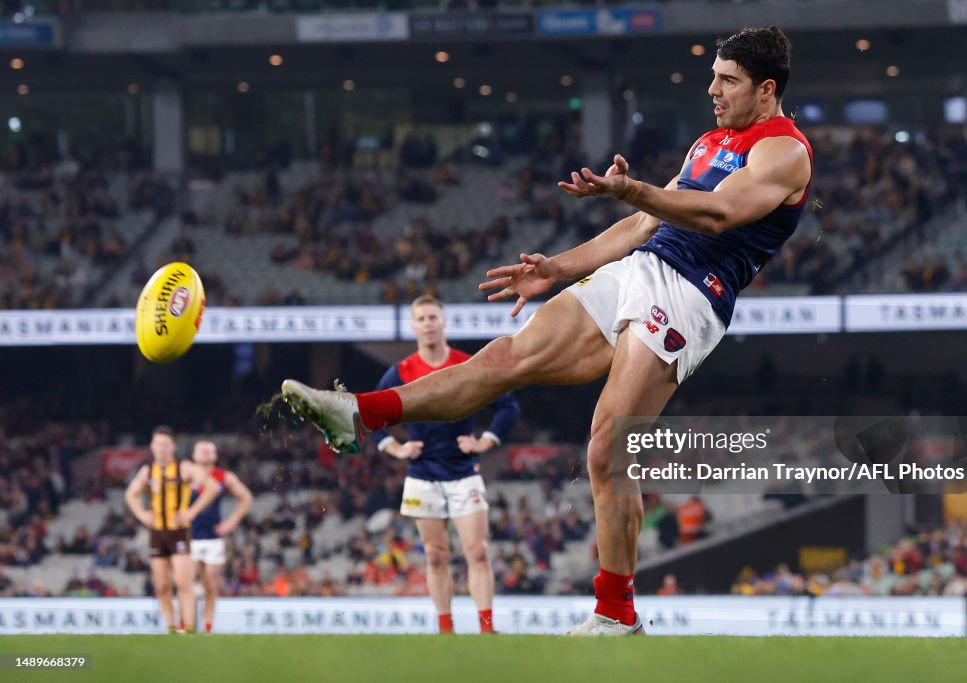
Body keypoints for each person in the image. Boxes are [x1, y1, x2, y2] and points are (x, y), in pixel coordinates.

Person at [280, 26, 812, 636]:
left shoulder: (785, 151)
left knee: (609, 447)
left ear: (766, 89)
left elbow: (719, 214)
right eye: (713, 75)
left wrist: (635, 189)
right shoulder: (709, 141)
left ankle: (616, 615)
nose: (711, 89)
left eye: (728, 80)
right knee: (504, 359)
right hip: (642, 268)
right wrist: (555, 270)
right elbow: (642, 225)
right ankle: (359, 414)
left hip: (692, 294)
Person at [373, 295, 519, 634]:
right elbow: (373, 415)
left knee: (478, 552)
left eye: (432, 317)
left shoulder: (467, 366)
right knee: (436, 556)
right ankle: (446, 630)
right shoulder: (401, 371)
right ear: (413, 327)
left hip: (463, 473)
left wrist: (486, 441)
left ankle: (486, 629)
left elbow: (508, 405)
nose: (427, 323)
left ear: (444, 322)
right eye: (421, 318)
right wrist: (394, 448)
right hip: (422, 475)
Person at [125, 426, 221, 634]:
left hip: (179, 532)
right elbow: (130, 494)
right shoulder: (147, 471)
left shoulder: (183, 468)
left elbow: (213, 487)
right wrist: (142, 515)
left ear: (173, 447)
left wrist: (192, 512)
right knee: (161, 586)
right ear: (151, 446)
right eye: (157, 444)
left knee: (183, 583)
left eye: (165, 445)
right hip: (157, 533)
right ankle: (170, 630)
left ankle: (188, 629)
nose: (161, 449)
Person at [189, 439, 253, 634]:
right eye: (201, 450)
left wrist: (232, 522)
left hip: (213, 537)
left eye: (209, 451)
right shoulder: (186, 475)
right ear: (194, 455)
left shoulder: (223, 476)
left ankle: (207, 627)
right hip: (189, 537)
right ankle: (189, 626)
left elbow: (246, 498)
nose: (205, 454)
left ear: (215, 456)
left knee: (210, 583)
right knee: (189, 584)